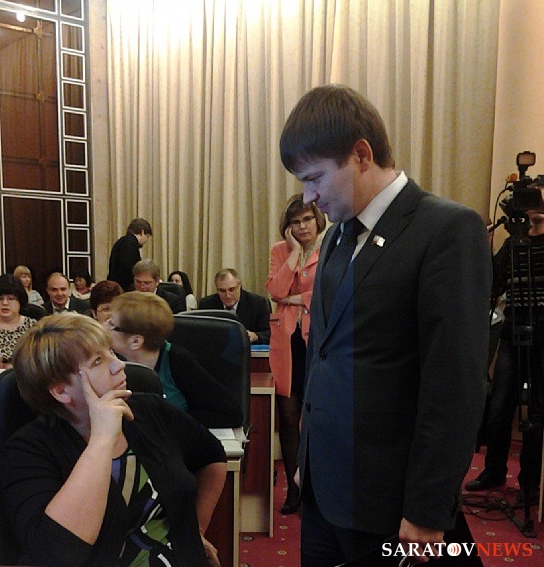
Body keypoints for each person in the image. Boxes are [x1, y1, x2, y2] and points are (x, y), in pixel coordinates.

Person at [279, 85, 491, 564]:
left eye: (314, 178)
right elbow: (323, 357)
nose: (309, 198)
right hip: (324, 493)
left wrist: (428, 508)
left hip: (390, 504)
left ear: (361, 155)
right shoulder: (337, 237)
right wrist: (307, 461)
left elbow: (455, 384)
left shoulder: (446, 230)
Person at [2, 314, 226, 565]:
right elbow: (57, 554)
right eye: (98, 360)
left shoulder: (150, 410)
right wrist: (102, 438)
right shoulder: (28, 451)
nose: (118, 364)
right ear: (61, 390)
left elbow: (212, 455)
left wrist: (196, 530)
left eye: (110, 351)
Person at [465, 199, 544, 502]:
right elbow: (492, 286)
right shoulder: (513, 245)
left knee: (537, 415)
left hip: (542, 339)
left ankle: (529, 483)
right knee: (499, 409)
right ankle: (493, 471)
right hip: (512, 336)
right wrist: (484, 248)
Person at [265, 193, 326, 514]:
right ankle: (293, 488)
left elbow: (329, 292)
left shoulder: (331, 246)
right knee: (288, 418)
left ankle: (318, 488)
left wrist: (294, 299)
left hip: (318, 340)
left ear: (318, 219)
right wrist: (293, 254)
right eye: (295, 222)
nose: (302, 226)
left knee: (317, 417)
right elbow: (274, 290)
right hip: (286, 343)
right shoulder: (280, 250)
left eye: (307, 219)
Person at [107, 291, 244, 428]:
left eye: (111, 324)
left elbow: (231, 414)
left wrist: (172, 420)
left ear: (135, 341)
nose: (104, 326)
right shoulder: (105, 360)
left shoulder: (178, 361)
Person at [199, 268, 271, 344]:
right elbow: (199, 334)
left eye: (231, 289)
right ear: (217, 290)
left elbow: (269, 334)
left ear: (239, 286)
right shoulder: (206, 305)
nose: (228, 295)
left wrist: (256, 336)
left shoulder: (259, 303)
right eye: (222, 291)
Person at [107, 218, 153, 290]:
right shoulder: (130, 243)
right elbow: (129, 269)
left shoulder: (121, 241)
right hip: (124, 288)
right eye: (147, 236)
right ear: (142, 232)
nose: (146, 241)